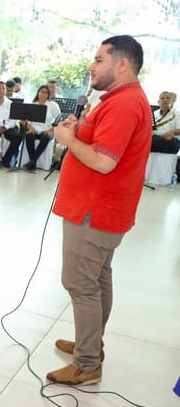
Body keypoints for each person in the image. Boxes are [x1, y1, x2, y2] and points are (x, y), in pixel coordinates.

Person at [46, 35, 152, 386]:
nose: (91, 66)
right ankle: (91, 344)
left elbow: (104, 162)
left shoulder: (124, 104)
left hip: (95, 210)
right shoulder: (120, 100)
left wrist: (68, 140)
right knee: (98, 277)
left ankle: (87, 362)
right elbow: (103, 143)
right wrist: (79, 130)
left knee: (80, 283)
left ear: (122, 64)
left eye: (98, 59)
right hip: (100, 208)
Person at [22, 85, 61, 171]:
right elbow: (23, 119)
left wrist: (50, 130)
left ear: (48, 95)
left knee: (45, 138)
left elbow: (59, 120)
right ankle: (33, 162)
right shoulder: (32, 104)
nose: (43, 94)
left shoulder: (53, 105)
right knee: (29, 137)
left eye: (45, 93)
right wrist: (30, 127)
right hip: (34, 129)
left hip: (47, 130)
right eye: (41, 92)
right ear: (38, 93)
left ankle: (32, 162)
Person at [150, 91, 179, 161]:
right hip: (155, 139)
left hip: (170, 141)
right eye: (162, 98)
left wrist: (172, 132)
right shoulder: (153, 113)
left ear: (172, 101)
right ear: (158, 102)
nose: (165, 100)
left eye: (168, 98)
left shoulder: (177, 114)